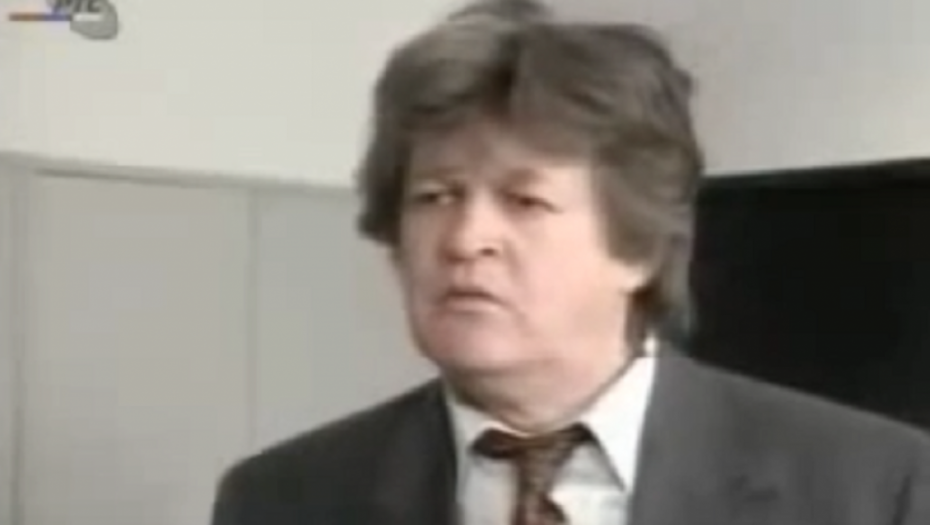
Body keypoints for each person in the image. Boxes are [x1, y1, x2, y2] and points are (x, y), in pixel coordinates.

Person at [210, 1, 930, 524]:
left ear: (639, 247)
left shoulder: (873, 487)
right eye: (435, 196)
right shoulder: (283, 499)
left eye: (524, 201)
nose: (465, 238)